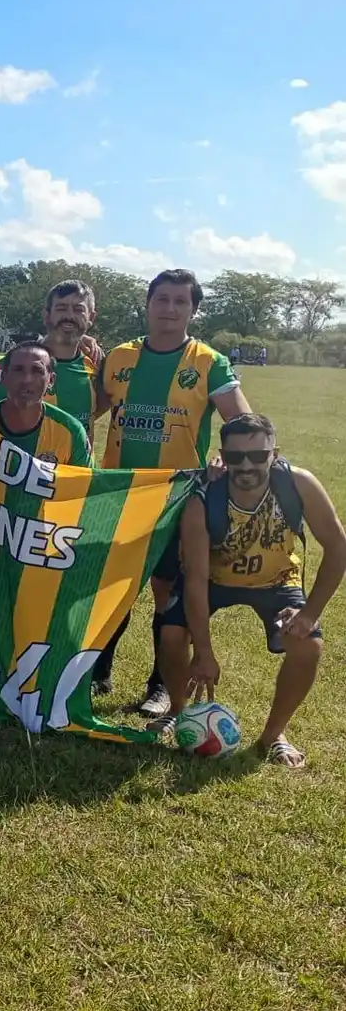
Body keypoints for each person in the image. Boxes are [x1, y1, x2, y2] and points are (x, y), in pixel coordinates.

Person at [93, 269, 251, 713]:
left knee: (166, 591)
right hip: (118, 494)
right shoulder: (120, 357)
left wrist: (227, 455)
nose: (169, 309)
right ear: (147, 304)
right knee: (110, 587)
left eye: (180, 302)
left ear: (193, 310)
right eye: (161, 299)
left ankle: (160, 687)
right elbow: (86, 409)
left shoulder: (208, 362)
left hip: (176, 497)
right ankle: (96, 674)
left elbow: (241, 422)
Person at [157, 414, 345, 766]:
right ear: (222, 456)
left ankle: (273, 735)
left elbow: (338, 547)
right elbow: (195, 578)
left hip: (276, 581)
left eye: (258, 456)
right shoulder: (203, 499)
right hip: (214, 580)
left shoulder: (299, 485)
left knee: (308, 647)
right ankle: (179, 713)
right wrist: (205, 651)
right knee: (170, 633)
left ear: (275, 454)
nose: (247, 465)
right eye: (235, 456)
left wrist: (309, 614)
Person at [0, 280, 104, 437]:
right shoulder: (16, 363)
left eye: (78, 309)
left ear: (91, 317)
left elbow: (102, 408)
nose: (69, 316)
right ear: (46, 315)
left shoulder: (96, 365)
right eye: (61, 308)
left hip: (75, 462)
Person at [0, 341, 91, 466]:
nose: (27, 379)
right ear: (4, 377)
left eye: (37, 370)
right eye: (18, 370)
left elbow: (86, 483)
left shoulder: (71, 433)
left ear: (51, 380)